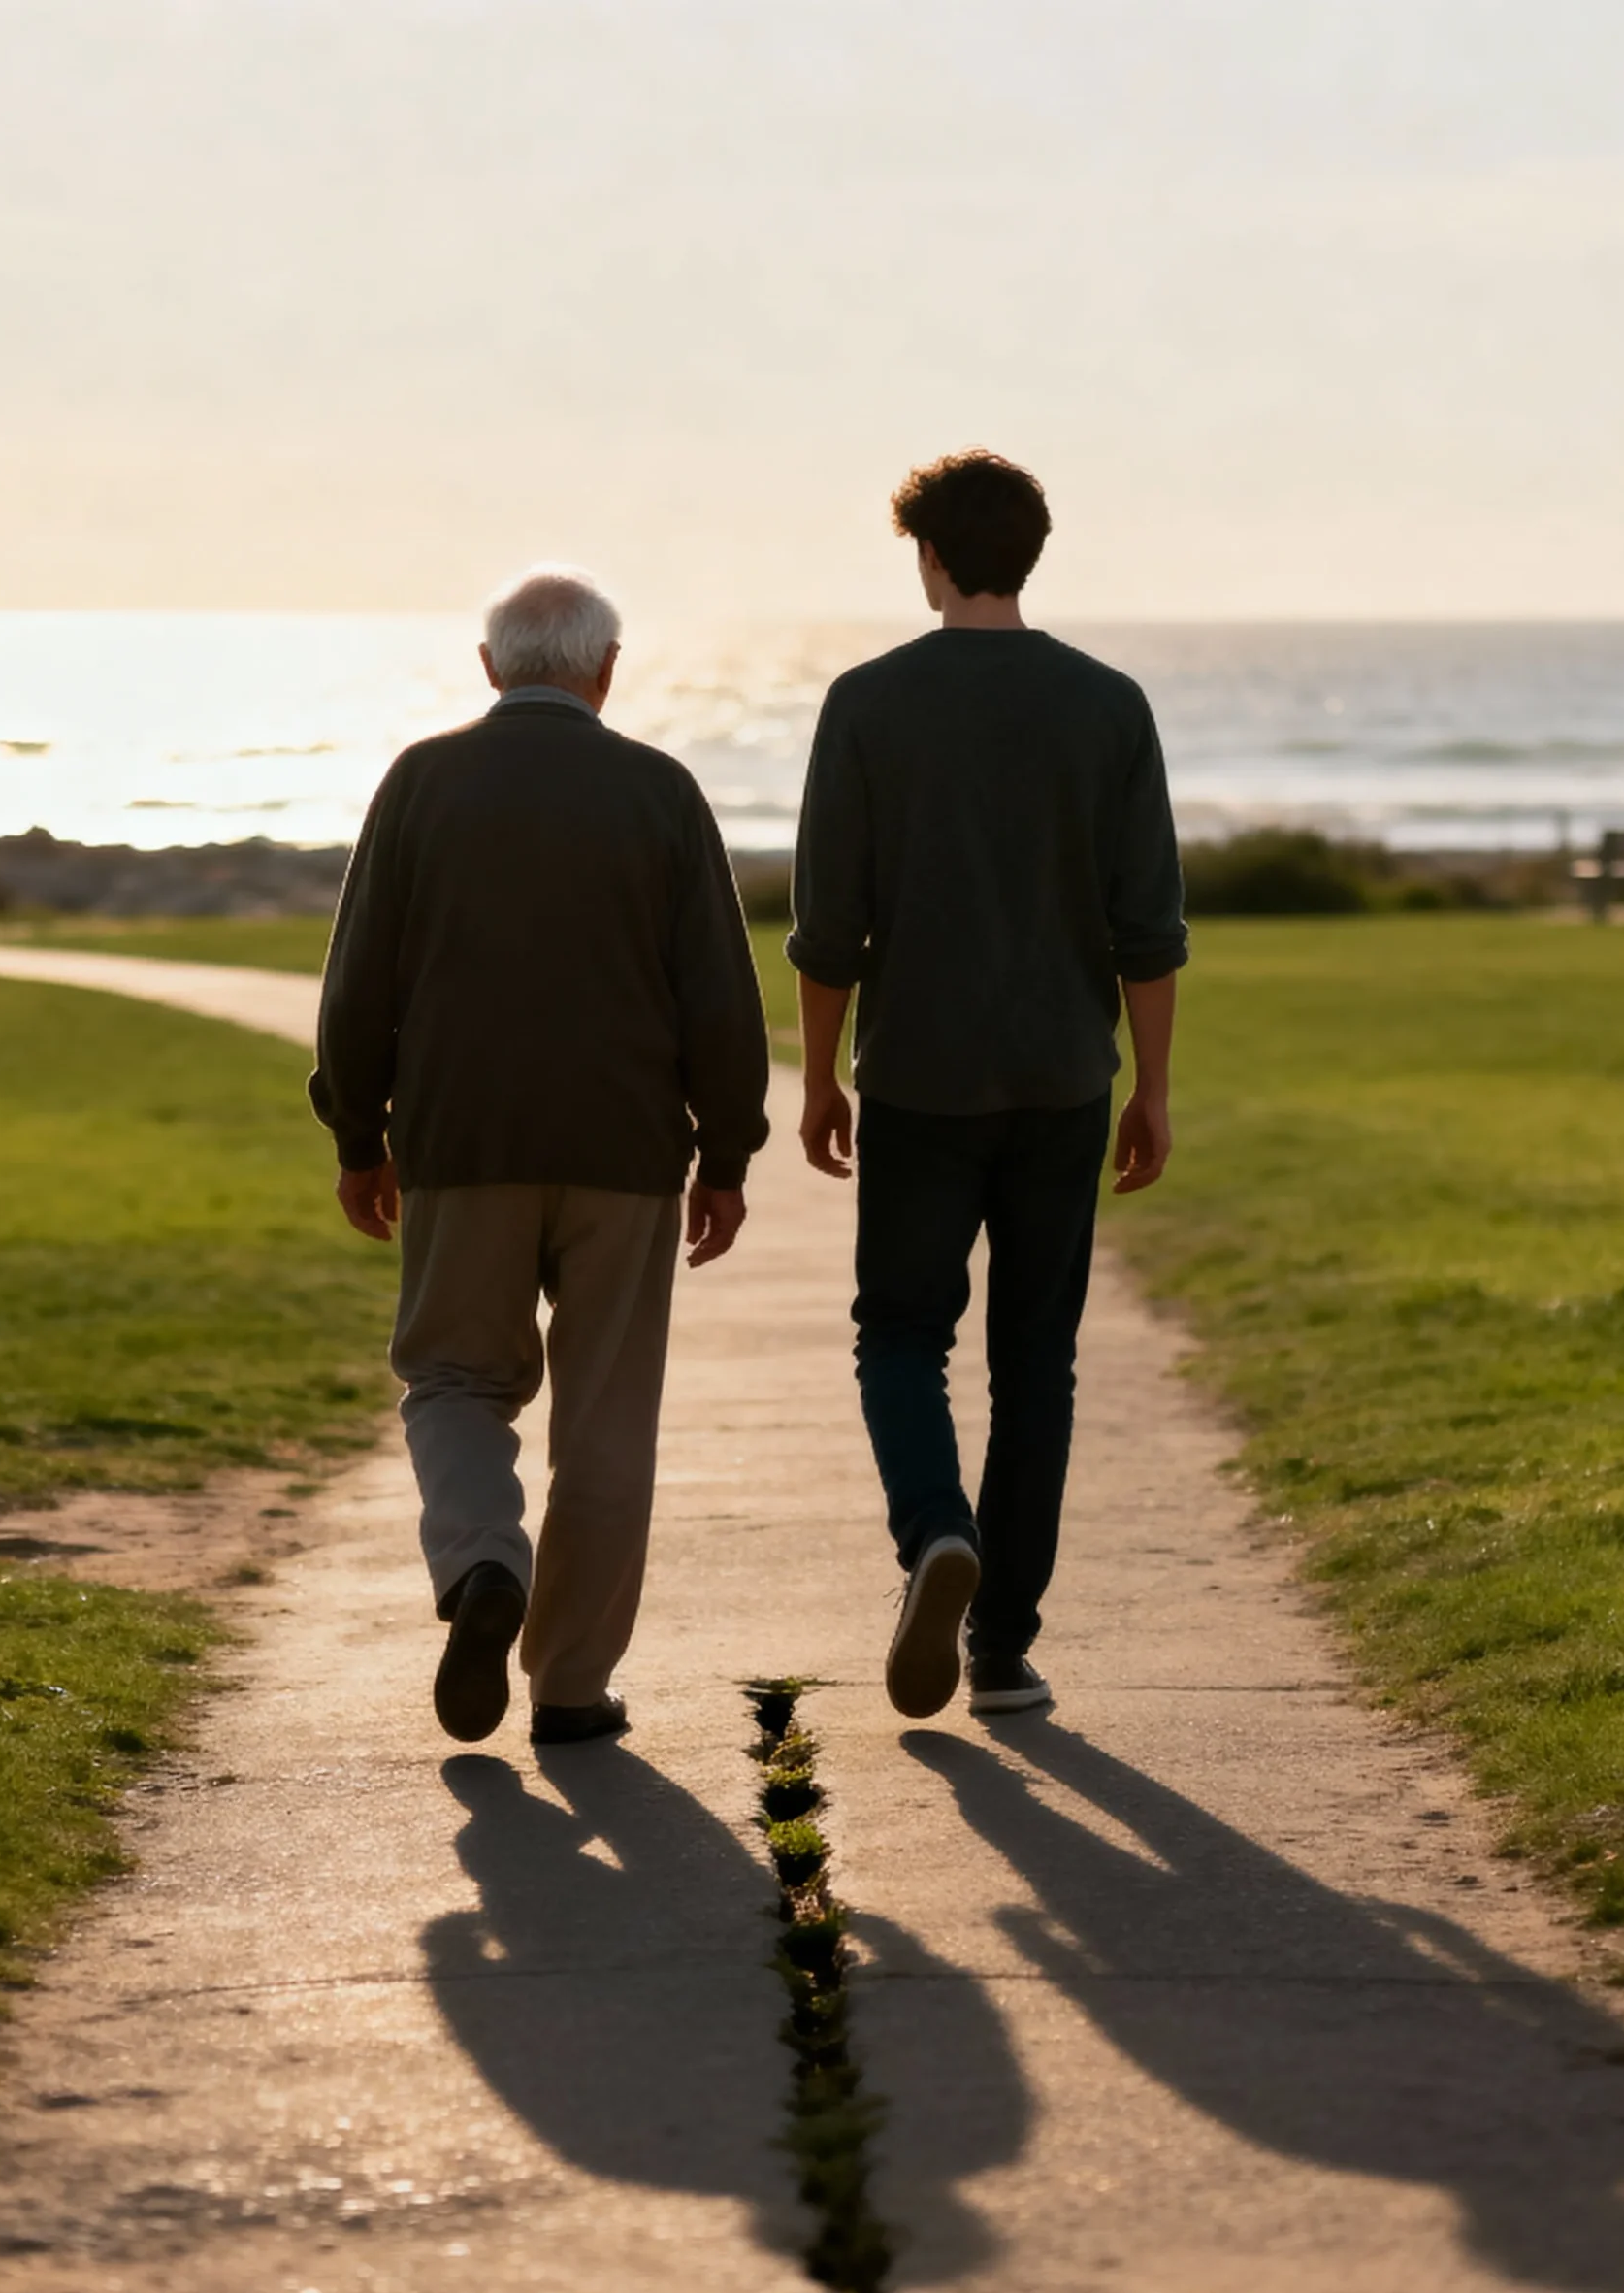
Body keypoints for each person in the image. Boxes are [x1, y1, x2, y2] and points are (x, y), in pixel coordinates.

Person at [311, 569, 770, 1747]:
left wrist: (358, 1131)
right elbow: (719, 992)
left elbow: (358, 981)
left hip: (462, 1141)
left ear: (487, 666)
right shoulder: (660, 790)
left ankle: (480, 1567)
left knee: (455, 1379)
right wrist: (725, 1153)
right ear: (606, 670)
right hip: (624, 1152)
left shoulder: (421, 780)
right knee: (607, 1421)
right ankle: (570, 1687)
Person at [786, 451, 1186, 1720]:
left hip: (916, 1079)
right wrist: (1153, 1091)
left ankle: (934, 1539)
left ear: (935, 559)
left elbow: (826, 924)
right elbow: (1150, 929)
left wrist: (818, 1080)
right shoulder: (1111, 706)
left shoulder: (866, 703)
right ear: (1030, 551)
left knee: (901, 1335)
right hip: (1065, 1080)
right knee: (1037, 1366)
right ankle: (1002, 1646)